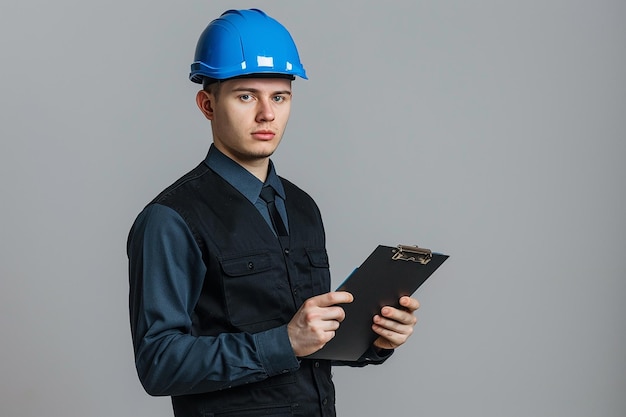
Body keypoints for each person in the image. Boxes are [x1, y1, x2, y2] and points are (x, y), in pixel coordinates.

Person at [127, 8, 421, 417]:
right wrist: (285, 342)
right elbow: (158, 364)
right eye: (246, 95)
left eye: (279, 97)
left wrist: (375, 341)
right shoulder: (170, 218)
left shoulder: (302, 208)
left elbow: (310, 340)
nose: (267, 114)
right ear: (207, 104)